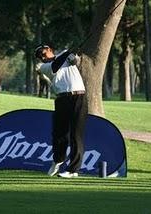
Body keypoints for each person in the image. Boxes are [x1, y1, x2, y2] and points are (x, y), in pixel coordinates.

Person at [35, 44, 88, 178]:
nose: (42, 56)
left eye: (43, 52)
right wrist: (67, 52)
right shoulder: (44, 67)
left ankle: (73, 170)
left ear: (49, 50)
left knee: (76, 135)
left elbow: (75, 61)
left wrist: (70, 52)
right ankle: (58, 160)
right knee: (59, 134)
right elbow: (55, 67)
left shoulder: (64, 54)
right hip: (61, 99)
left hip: (78, 97)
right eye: (39, 56)